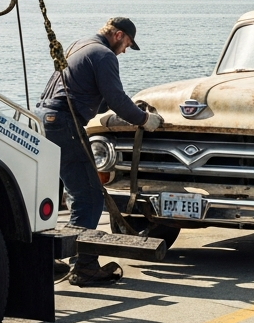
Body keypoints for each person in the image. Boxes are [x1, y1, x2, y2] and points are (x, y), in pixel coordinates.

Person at [37, 17, 164, 287]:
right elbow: (116, 99)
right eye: (127, 44)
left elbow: (102, 97)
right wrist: (143, 119)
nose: (126, 50)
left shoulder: (80, 46)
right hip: (64, 124)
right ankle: (83, 266)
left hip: (44, 120)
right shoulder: (105, 55)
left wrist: (126, 111)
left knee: (69, 193)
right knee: (90, 197)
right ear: (118, 35)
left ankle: (50, 258)